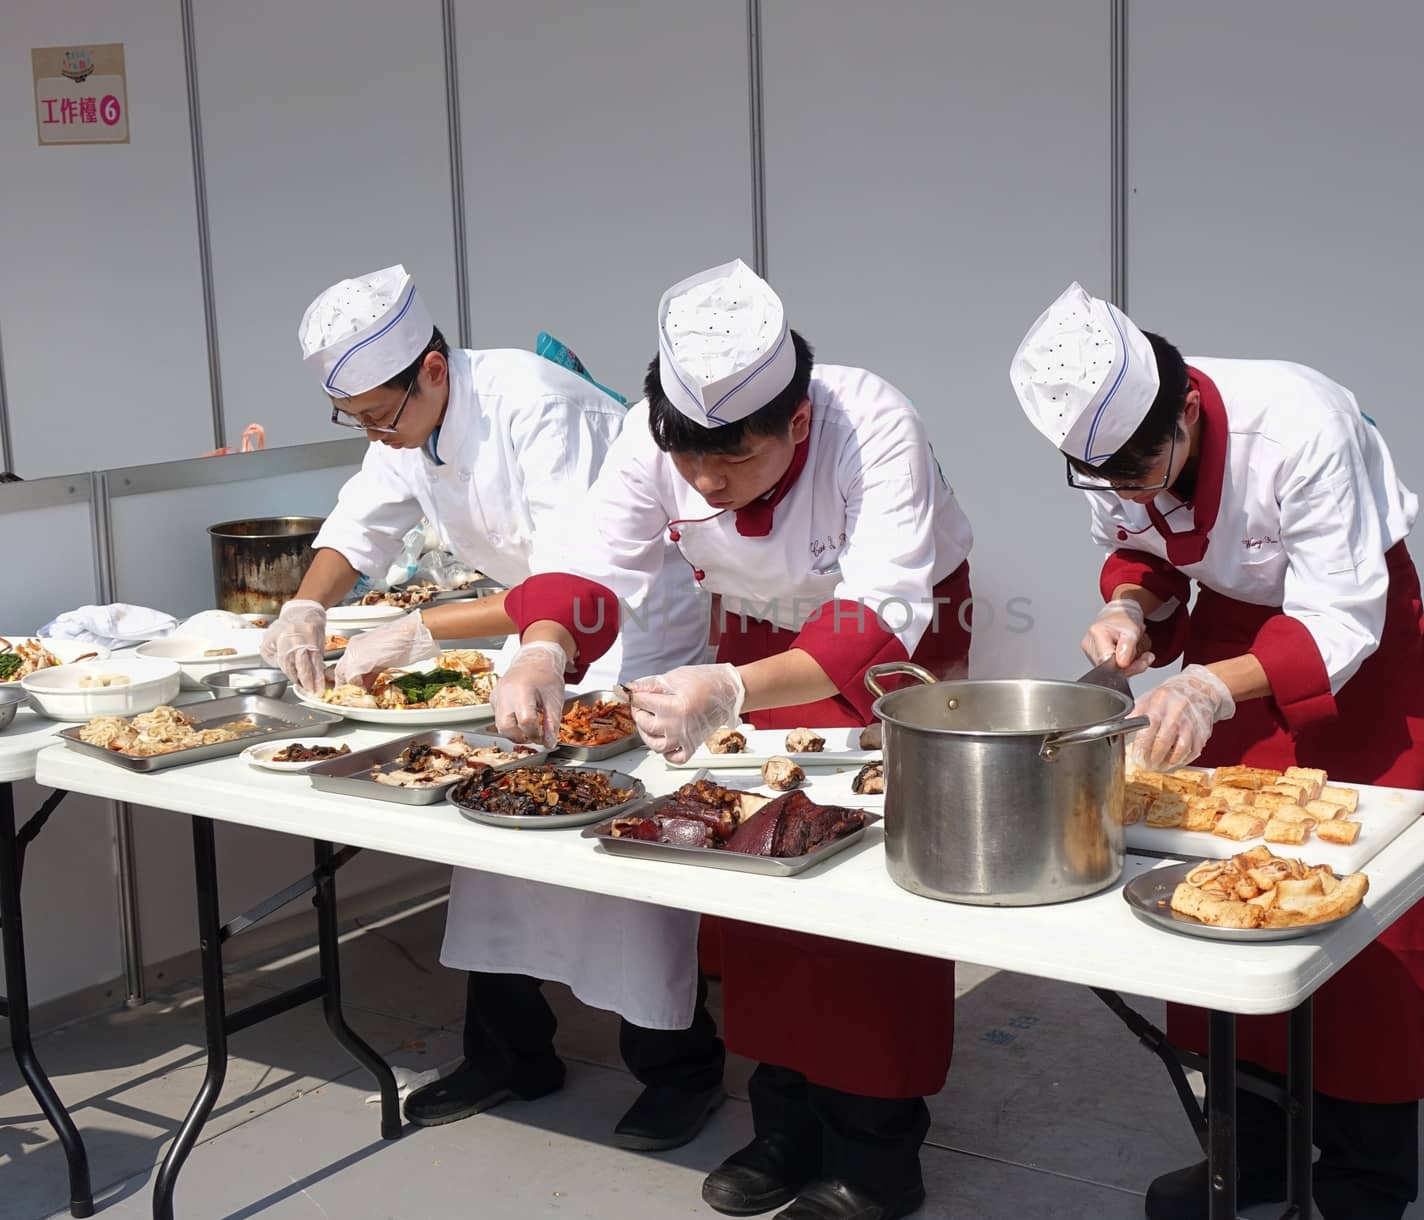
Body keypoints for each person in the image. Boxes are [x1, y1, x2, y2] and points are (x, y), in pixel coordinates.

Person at [403, 258, 974, 1220]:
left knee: (867, 888)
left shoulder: (869, 420)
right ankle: (783, 1124)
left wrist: (731, 688)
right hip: (753, 634)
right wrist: (543, 652)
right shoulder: (646, 437)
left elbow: (880, 612)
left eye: (734, 463)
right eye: (692, 463)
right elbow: (589, 570)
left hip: (886, 645)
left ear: (795, 423)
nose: (707, 482)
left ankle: (877, 1150)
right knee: (753, 865)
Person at [261, 264, 724, 1151]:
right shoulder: (404, 425)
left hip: (629, 633)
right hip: (532, 636)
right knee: (496, 842)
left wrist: (423, 631)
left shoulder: (535, 406)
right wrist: (306, 604)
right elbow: (359, 524)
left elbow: (575, 577)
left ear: (432, 370)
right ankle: (511, 1054)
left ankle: (677, 1072)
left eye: (377, 416)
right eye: (355, 421)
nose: (375, 436)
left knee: (626, 868)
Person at [1010, 282, 1424, 1220]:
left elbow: (1341, 615)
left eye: (1143, 463)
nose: (1129, 485)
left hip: (1354, 652)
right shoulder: (1125, 458)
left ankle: (1365, 1178)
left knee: (1360, 902)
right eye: (1103, 474)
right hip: (1234, 631)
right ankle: (1246, 1152)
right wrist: (1129, 608)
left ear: (1189, 409)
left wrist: (1209, 686)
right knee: (1211, 892)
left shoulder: (1298, 422)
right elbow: (1149, 552)